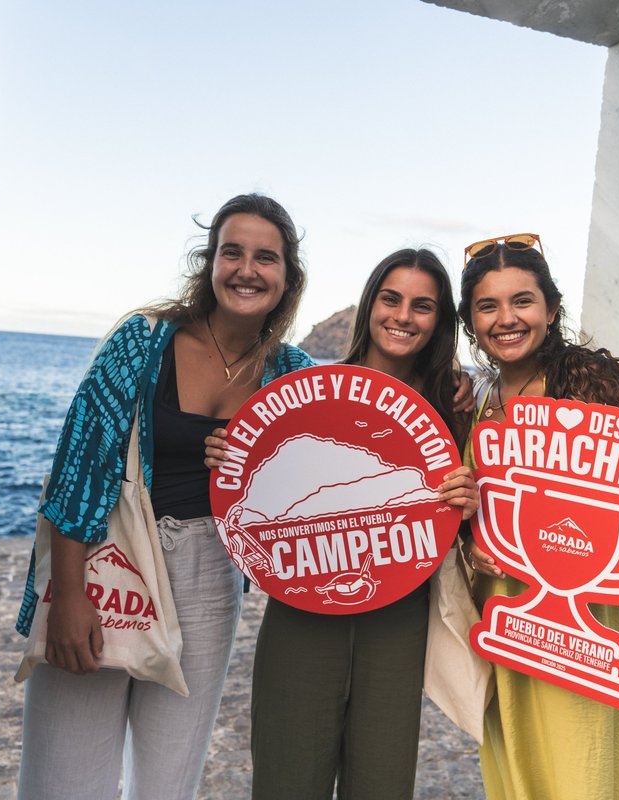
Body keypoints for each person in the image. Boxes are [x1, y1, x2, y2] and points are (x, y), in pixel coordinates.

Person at [14, 193, 315, 800]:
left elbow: (320, 489)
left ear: (287, 279)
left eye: (266, 258)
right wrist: (69, 596)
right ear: (210, 263)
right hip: (110, 558)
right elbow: (78, 466)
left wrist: (257, 471)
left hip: (211, 573)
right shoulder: (142, 341)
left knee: (168, 781)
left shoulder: (292, 373)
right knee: (64, 777)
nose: (247, 270)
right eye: (232, 252)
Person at [205, 248, 480, 799]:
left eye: (422, 305)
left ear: (440, 319)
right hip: (301, 613)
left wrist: (468, 496)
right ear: (369, 305)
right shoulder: (307, 390)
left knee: (381, 783)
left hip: (399, 618)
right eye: (391, 298)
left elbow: (475, 519)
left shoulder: (456, 406)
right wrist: (229, 455)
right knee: (287, 779)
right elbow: (255, 483)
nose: (403, 316)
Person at [457, 233, 619, 800]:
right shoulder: (476, 401)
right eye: (488, 305)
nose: (507, 318)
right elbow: (466, 508)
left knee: (588, 770)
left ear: (550, 308)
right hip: (506, 618)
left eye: (522, 300)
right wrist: (470, 541)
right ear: (471, 321)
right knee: (521, 768)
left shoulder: (586, 383)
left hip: (583, 626)